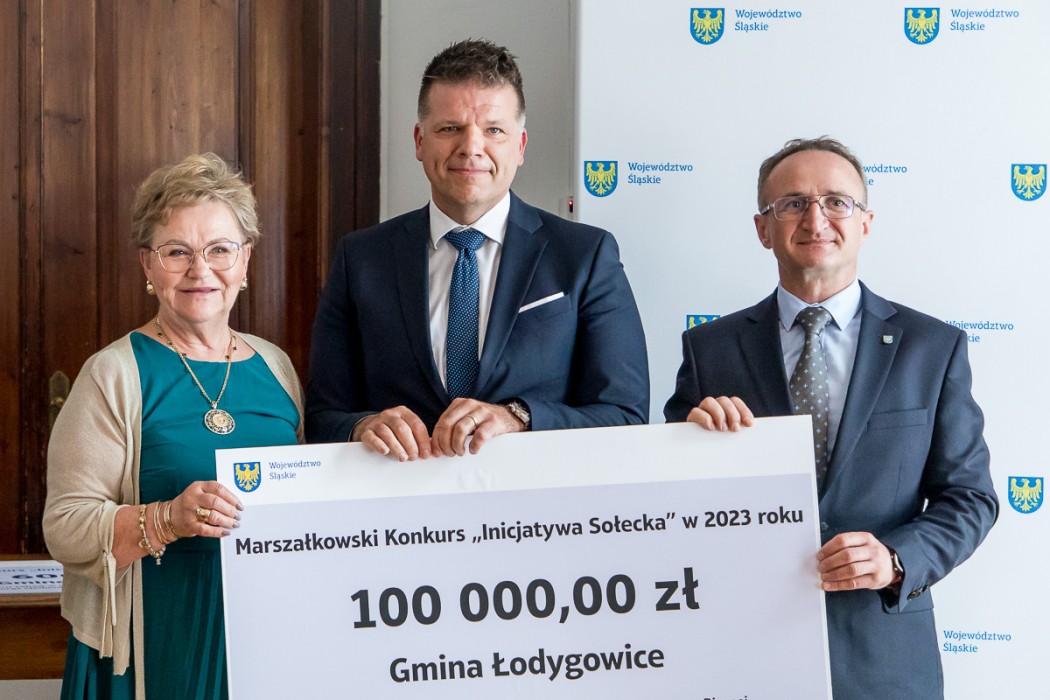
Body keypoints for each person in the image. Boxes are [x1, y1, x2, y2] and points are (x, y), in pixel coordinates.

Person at [664, 137, 997, 699]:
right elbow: (669, 507)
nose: (815, 219)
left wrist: (896, 559)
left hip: (883, 662)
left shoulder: (932, 348)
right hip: (741, 652)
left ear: (865, 223)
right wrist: (691, 444)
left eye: (837, 202)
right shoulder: (709, 350)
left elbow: (971, 498)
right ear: (762, 228)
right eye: (792, 204)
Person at [307, 39, 648, 459]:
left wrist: (519, 417)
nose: (471, 147)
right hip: (399, 497)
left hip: (535, 498)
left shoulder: (585, 256)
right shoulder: (360, 259)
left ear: (520, 146)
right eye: (450, 128)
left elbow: (625, 415)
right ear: (419, 141)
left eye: (493, 130)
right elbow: (322, 417)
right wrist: (362, 426)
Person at [43, 153, 304, 699]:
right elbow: (65, 526)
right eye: (177, 251)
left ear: (246, 259)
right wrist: (167, 519)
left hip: (270, 639)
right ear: (147, 264)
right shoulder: (114, 373)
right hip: (158, 641)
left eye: (220, 249)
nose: (200, 270)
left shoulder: (276, 366)